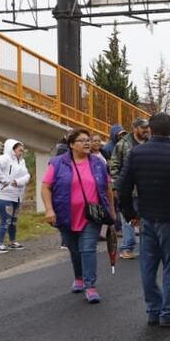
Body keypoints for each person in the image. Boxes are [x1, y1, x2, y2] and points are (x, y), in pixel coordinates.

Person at [118, 113, 170, 327]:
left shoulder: (137, 153)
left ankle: (153, 310)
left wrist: (130, 214)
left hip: (146, 216)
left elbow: (122, 186)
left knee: (148, 265)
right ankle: (169, 313)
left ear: (151, 130)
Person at [42, 128, 114, 303]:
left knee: (87, 249)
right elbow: (46, 187)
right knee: (74, 249)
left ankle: (90, 286)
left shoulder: (98, 163)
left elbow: (107, 188)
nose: (87, 143)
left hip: (91, 215)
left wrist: (111, 211)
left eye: (88, 140)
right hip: (65, 215)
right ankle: (79, 277)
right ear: (72, 145)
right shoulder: (58, 163)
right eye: (82, 140)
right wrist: (49, 210)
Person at [110, 118, 150, 259]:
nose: (146, 130)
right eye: (143, 127)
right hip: (128, 189)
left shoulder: (149, 143)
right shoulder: (122, 144)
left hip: (145, 189)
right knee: (128, 219)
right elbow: (114, 165)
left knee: (145, 219)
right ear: (134, 127)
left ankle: (146, 248)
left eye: (147, 127)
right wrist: (116, 185)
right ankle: (127, 247)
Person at [0, 139, 31, 254]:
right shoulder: (4, 158)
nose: (21, 152)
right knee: (5, 220)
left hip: (17, 196)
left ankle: (12, 242)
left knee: (13, 221)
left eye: (22, 150)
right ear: (13, 149)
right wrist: (4, 180)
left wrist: (18, 181)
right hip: (4, 196)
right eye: (19, 150)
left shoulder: (21, 161)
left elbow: (27, 175)